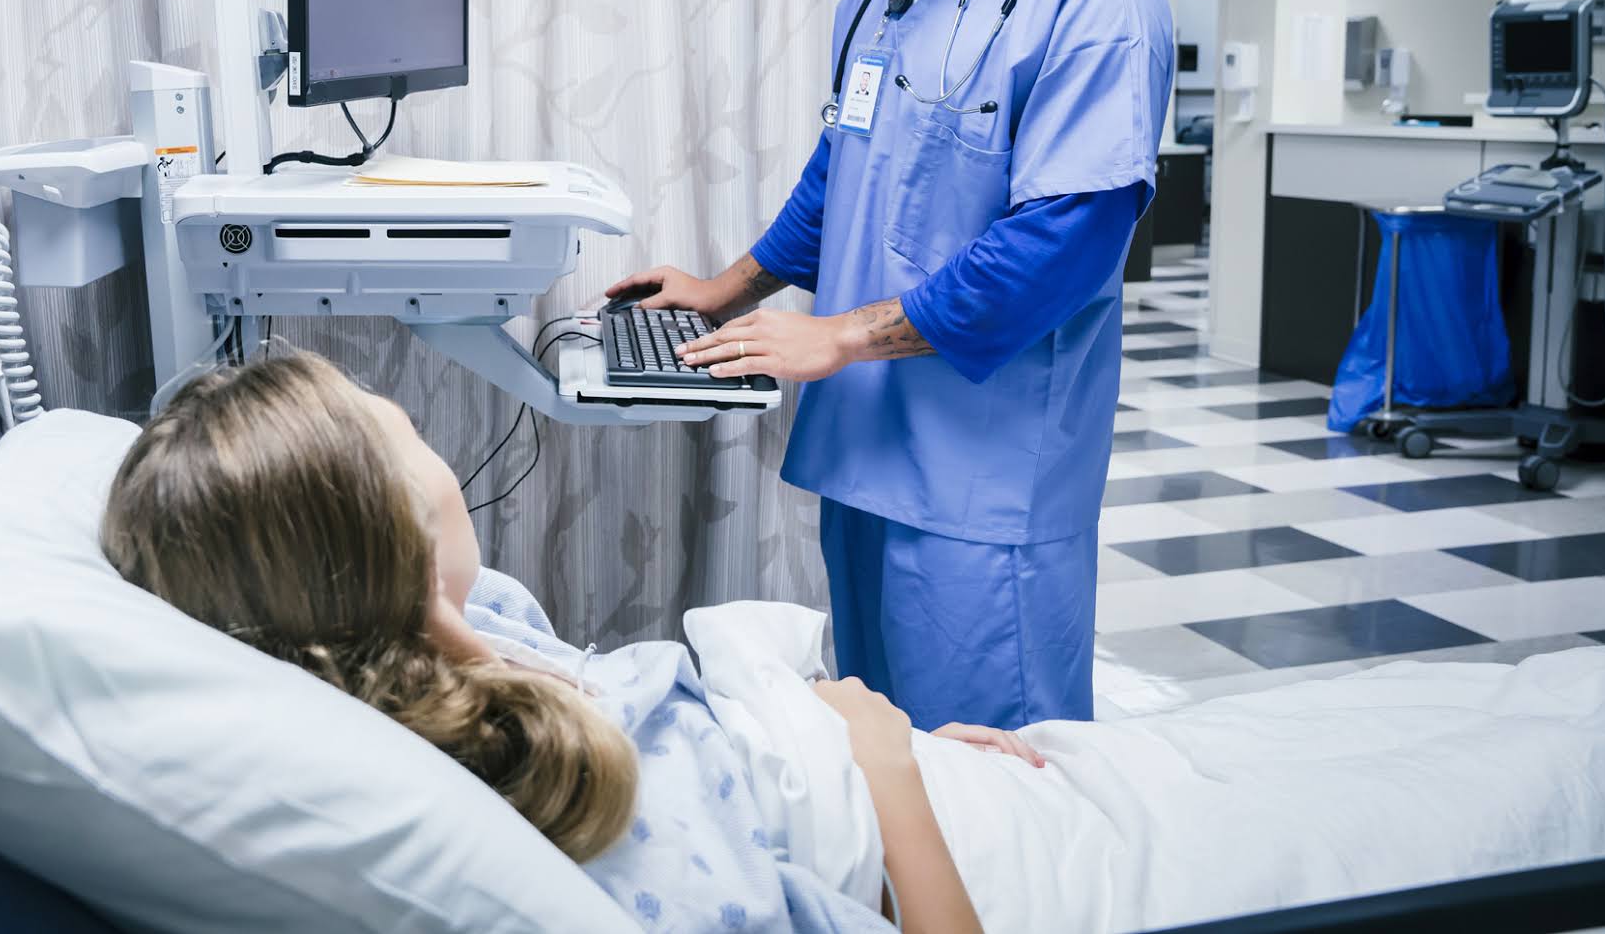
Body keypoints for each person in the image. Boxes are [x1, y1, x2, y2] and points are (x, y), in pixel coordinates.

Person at [608, 0, 1175, 732]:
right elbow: (848, 169)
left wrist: (839, 339)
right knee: (884, 756)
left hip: (986, 488)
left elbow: (1065, 242)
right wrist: (727, 288)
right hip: (870, 461)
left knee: (995, 789)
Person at [100, 353, 1005, 932]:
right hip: (912, 842)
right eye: (407, 431)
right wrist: (889, 770)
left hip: (866, 759)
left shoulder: (460, 624)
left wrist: (866, 737)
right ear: (407, 535)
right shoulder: (597, 828)